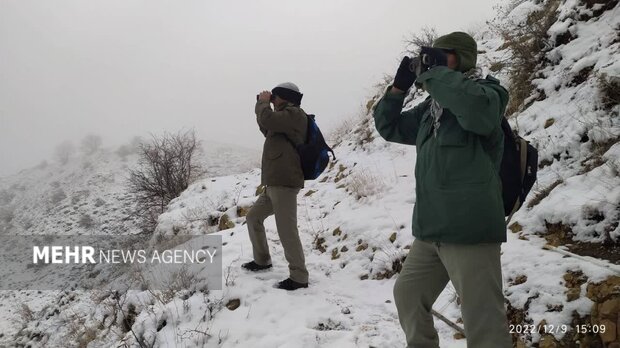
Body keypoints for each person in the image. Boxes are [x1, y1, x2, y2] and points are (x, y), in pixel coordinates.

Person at [373, 32, 513, 347]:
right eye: (430, 56)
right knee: (408, 295)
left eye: (441, 55)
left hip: (470, 228)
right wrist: (398, 89)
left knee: (483, 321)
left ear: (461, 58)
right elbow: (390, 128)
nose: (431, 62)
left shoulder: (489, 93)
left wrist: (434, 74)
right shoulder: (431, 108)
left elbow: (476, 111)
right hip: (431, 228)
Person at [242, 82, 310, 291]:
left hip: (285, 183)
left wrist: (263, 104)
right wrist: (263, 106)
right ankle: (262, 260)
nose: (273, 99)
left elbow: (268, 119)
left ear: (285, 97)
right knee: (253, 217)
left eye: (276, 96)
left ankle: (299, 277)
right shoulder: (282, 120)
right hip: (273, 184)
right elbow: (266, 125)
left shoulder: (295, 114)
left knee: (286, 230)